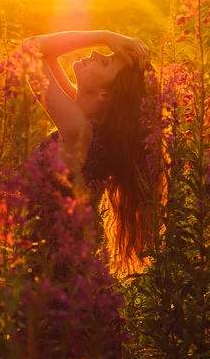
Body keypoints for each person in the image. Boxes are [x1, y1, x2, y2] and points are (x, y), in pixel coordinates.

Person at [24, 30, 159, 276]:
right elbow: (44, 52)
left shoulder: (79, 132)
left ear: (104, 94)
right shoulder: (87, 122)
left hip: (46, 272)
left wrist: (104, 35)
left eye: (105, 62)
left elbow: (29, 49)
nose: (96, 53)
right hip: (55, 263)